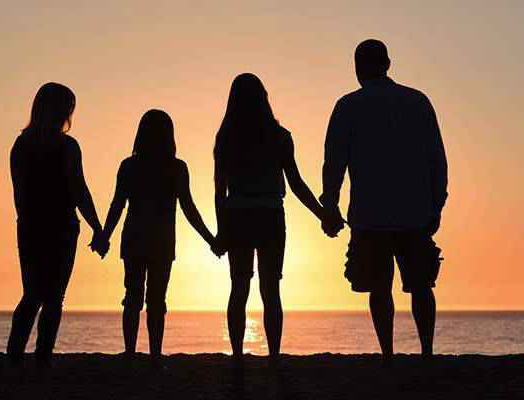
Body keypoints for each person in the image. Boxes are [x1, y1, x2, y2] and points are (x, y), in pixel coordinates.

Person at [320, 39, 448, 366]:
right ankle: (427, 352)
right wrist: (437, 203)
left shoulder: (348, 106)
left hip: (369, 213)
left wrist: (330, 204)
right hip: (414, 210)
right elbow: (437, 158)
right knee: (421, 285)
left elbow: (334, 162)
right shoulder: (418, 102)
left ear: (359, 67)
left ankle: (388, 354)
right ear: (388, 63)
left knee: (380, 288)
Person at [214, 73, 327, 365]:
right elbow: (297, 184)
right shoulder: (279, 136)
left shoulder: (226, 138)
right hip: (270, 216)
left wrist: (221, 230)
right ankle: (274, 355)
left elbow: (219, 192)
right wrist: (322, 214)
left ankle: (238, 354)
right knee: (271, 289)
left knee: (239, 287)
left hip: (238, 214)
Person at [97, 109, 218, 368]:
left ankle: (131, 354)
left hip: (135, 239)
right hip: (161, 241)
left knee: (132, 296)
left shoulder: (129, 166)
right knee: (156, 299)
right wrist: (211, 239)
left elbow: (117, 205)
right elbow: (189, 209)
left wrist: (105, 236)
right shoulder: (176, 168)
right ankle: (154, 355)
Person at [6, 82, 106, 368]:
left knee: (38, 295)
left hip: (39, 227)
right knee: (47, 297)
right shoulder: (60, 146)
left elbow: (23, 194)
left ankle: (22, 357)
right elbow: (78, 191)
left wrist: (96, 228)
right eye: (67, 107)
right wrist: (96, 228)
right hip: (53, 227)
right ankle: (36, 358)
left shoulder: (24, 145)